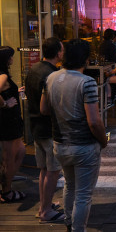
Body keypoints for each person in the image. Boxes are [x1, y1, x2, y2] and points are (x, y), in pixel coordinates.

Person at [41, 39, 108, 231]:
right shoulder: (86, 82)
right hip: (84, 146)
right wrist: (103, 142)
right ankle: (78, 229)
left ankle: (69, 223)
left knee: (69, 185)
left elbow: (43, 109)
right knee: (84, 194)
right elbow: (94, 121)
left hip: (60, 144)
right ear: (86, 59)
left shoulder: (51, 78)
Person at [25, 38, 65, 221]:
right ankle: (46, 211)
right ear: (58, 53)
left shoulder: (34, 69)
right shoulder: (52, 74)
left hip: (35, 126)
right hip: (49, 128)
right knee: (53, 170)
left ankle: (44, 205)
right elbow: (46, 107)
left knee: (43, 169)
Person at [0, 46, 26, 203]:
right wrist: (5, 104)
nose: (13, 59)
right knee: (10, 157)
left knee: (18, 152)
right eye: (11, 56)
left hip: (10, 121)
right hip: (8, 121)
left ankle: (6, 187)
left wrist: (15, 92)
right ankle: (7, 191)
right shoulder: (2, 75)